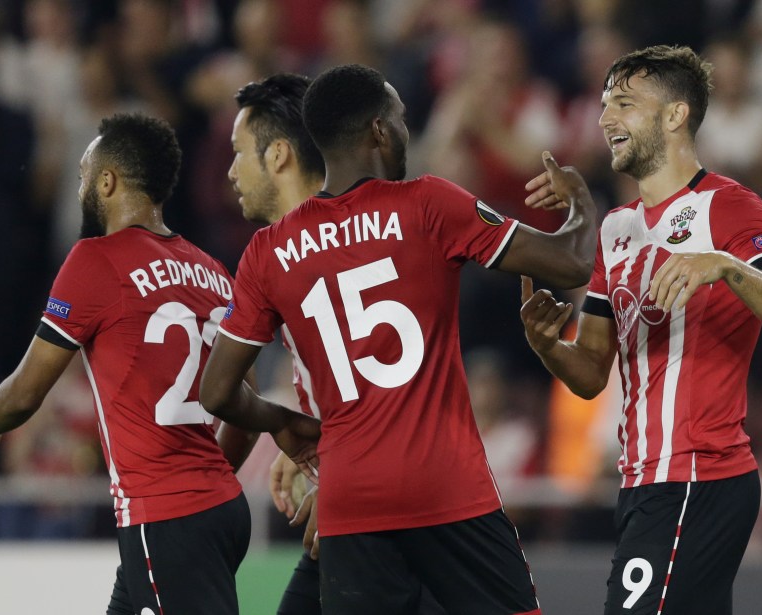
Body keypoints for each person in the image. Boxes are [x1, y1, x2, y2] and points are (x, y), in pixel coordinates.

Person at [200, 63, 597, 615]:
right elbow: (573, 263)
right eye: (402, 118)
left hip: (350, 498)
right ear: (380, 131)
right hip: (447, 487)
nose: (408, 129)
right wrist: (581, 203)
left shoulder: (268, 252)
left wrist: (288, 426)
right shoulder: (428, 204)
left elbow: (218, 393)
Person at [0, 113, 321, 615]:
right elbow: (244, 405)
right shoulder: (212, 271)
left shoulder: (94, 261)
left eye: (85, 172)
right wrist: (207, 483)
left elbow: (25, 392)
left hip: (165, 513)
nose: (80, 183)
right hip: (217, 509)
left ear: (107, 181)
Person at [519, 45, 762, 615]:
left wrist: (726, 267)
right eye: (606, 103)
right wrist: (548, 349)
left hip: (699, 475)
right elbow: (589, 372)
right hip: (639, 483)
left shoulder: (730, 207)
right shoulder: (615, 230)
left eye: (625, 104)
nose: (607, 117)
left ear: (675, 115)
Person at [220, 72, 447, 615]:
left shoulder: (295, 253)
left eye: (238, 153)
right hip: (376, 498)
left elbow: (389, 393)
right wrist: (303, 428)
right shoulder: (301, 248)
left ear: (278, 156)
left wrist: (341, 480)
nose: (231, 171)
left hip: (392, 511)